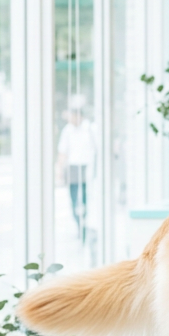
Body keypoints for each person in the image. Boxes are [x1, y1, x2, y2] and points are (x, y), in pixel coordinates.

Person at [57, 96, 98, 242]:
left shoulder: (90, 129)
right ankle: (80, 226)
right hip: (73, 169)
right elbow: (62, 152)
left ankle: (86, 224)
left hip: (87, 168)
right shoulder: (67, 131)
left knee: (86, 200)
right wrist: (60, 170)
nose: (72, 119)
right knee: (74, 200)